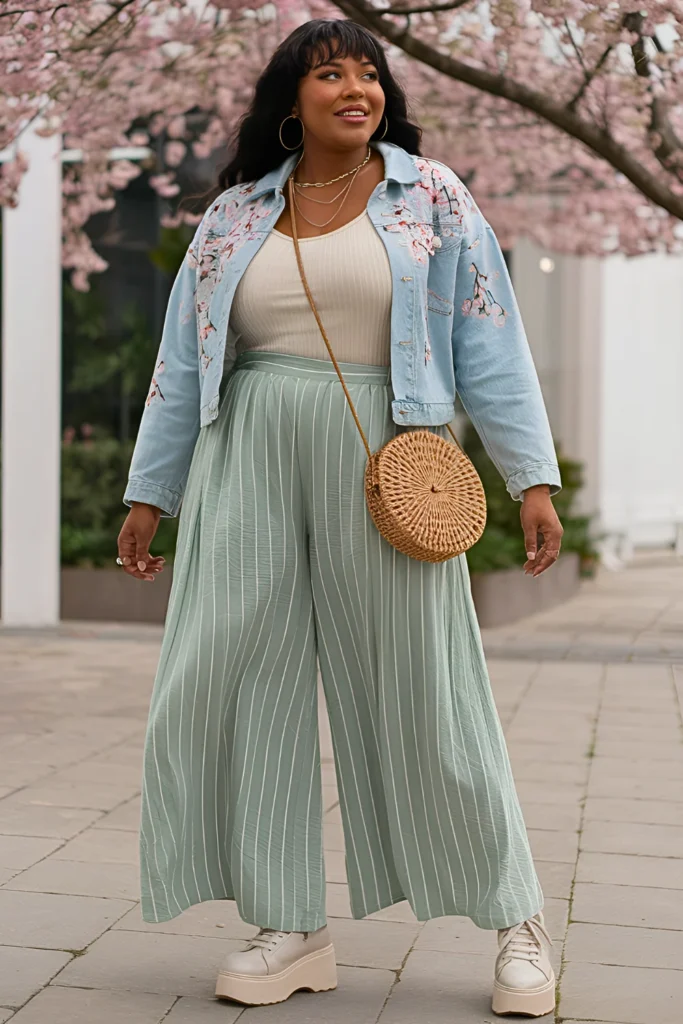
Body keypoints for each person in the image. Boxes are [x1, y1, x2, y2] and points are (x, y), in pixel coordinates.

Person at [118, 17, 563, 1018]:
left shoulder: (431, 200)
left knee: (429, 687)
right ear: (292, 97)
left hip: (387, 454)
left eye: (369, 72)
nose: (355, 87)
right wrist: (154, 493)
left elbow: (488, 343)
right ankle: (287, 924)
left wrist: (530, 478)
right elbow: (182, 369)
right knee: (236, 678)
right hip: (249, 457)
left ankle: (515, 917)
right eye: (331, 73)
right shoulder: (231, 217)